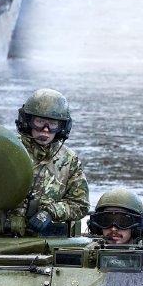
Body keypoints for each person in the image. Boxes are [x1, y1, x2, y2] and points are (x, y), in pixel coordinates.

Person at [15, 88, 89, 236]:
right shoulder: (8, 149)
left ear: (62, 128)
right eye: (40, 122)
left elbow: (80, 205)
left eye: (53, 124)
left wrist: (50, 213)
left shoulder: (69, 160)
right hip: (1, 233)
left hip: (48, 238)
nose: (45, 130)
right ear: (27, 122)